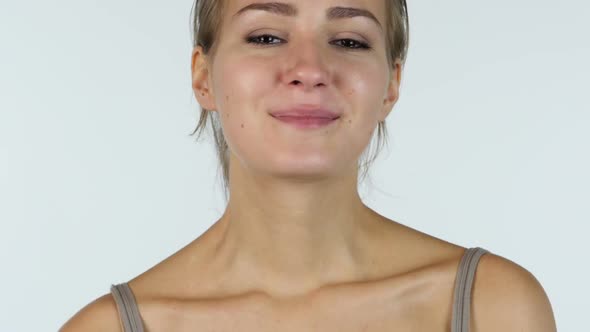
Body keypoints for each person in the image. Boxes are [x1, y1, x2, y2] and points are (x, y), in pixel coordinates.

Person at [60, 1, 557, 331]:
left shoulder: (494, 307)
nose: (310, 71)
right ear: (203, 76)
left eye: (348, 41)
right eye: (267, 37)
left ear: (390, 85)